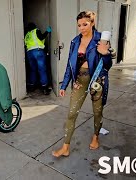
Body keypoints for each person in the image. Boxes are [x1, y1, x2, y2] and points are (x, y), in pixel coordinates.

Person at [52, 11, 113, 158]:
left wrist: (105, 54)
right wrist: (64, 85)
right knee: (71, 113)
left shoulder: (101, 39)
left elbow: (107, 66)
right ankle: (65, 147)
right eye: (79, 25)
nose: (81, 28)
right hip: (79, 81)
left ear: (92, 23)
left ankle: (96, 137)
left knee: (97, 112)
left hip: (97, 81)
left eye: (85, 24)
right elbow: (70, 65)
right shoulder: (75, 41)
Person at [24, 23, 52, 95]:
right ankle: (44, 88)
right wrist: (47, 31)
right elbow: (42, 37)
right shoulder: (36, 30)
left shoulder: (27, 35)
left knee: (32, 70)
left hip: (29, 53)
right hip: (38, 52)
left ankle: (31, 86)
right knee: (42, 70)